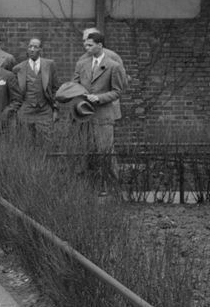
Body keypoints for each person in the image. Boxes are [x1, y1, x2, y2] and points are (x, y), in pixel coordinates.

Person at [72, 30, 126, 192]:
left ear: (100, 46)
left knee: (106, 152)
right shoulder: (81, 64)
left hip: (103, 115)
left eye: (90, 45)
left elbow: (118, 91)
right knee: (85, 151)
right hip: (84, 115)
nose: (86, 48)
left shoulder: (113, 65)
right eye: (85, 44)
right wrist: (77, 94)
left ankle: (112, 187)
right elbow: (74, 84)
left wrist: (99, 98)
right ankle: (88, 188)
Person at [10, 38, 59, 145]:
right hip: (26, 110)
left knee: (48, 143)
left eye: (35, 47)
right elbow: (14, 93)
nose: (32, 49)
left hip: (44, 109)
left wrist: (55, 109)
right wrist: (16, 111)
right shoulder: (18, 68)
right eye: (30, 46)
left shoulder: (50, 65)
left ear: (41, 49)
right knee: (25, 143)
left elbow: (55, 89)